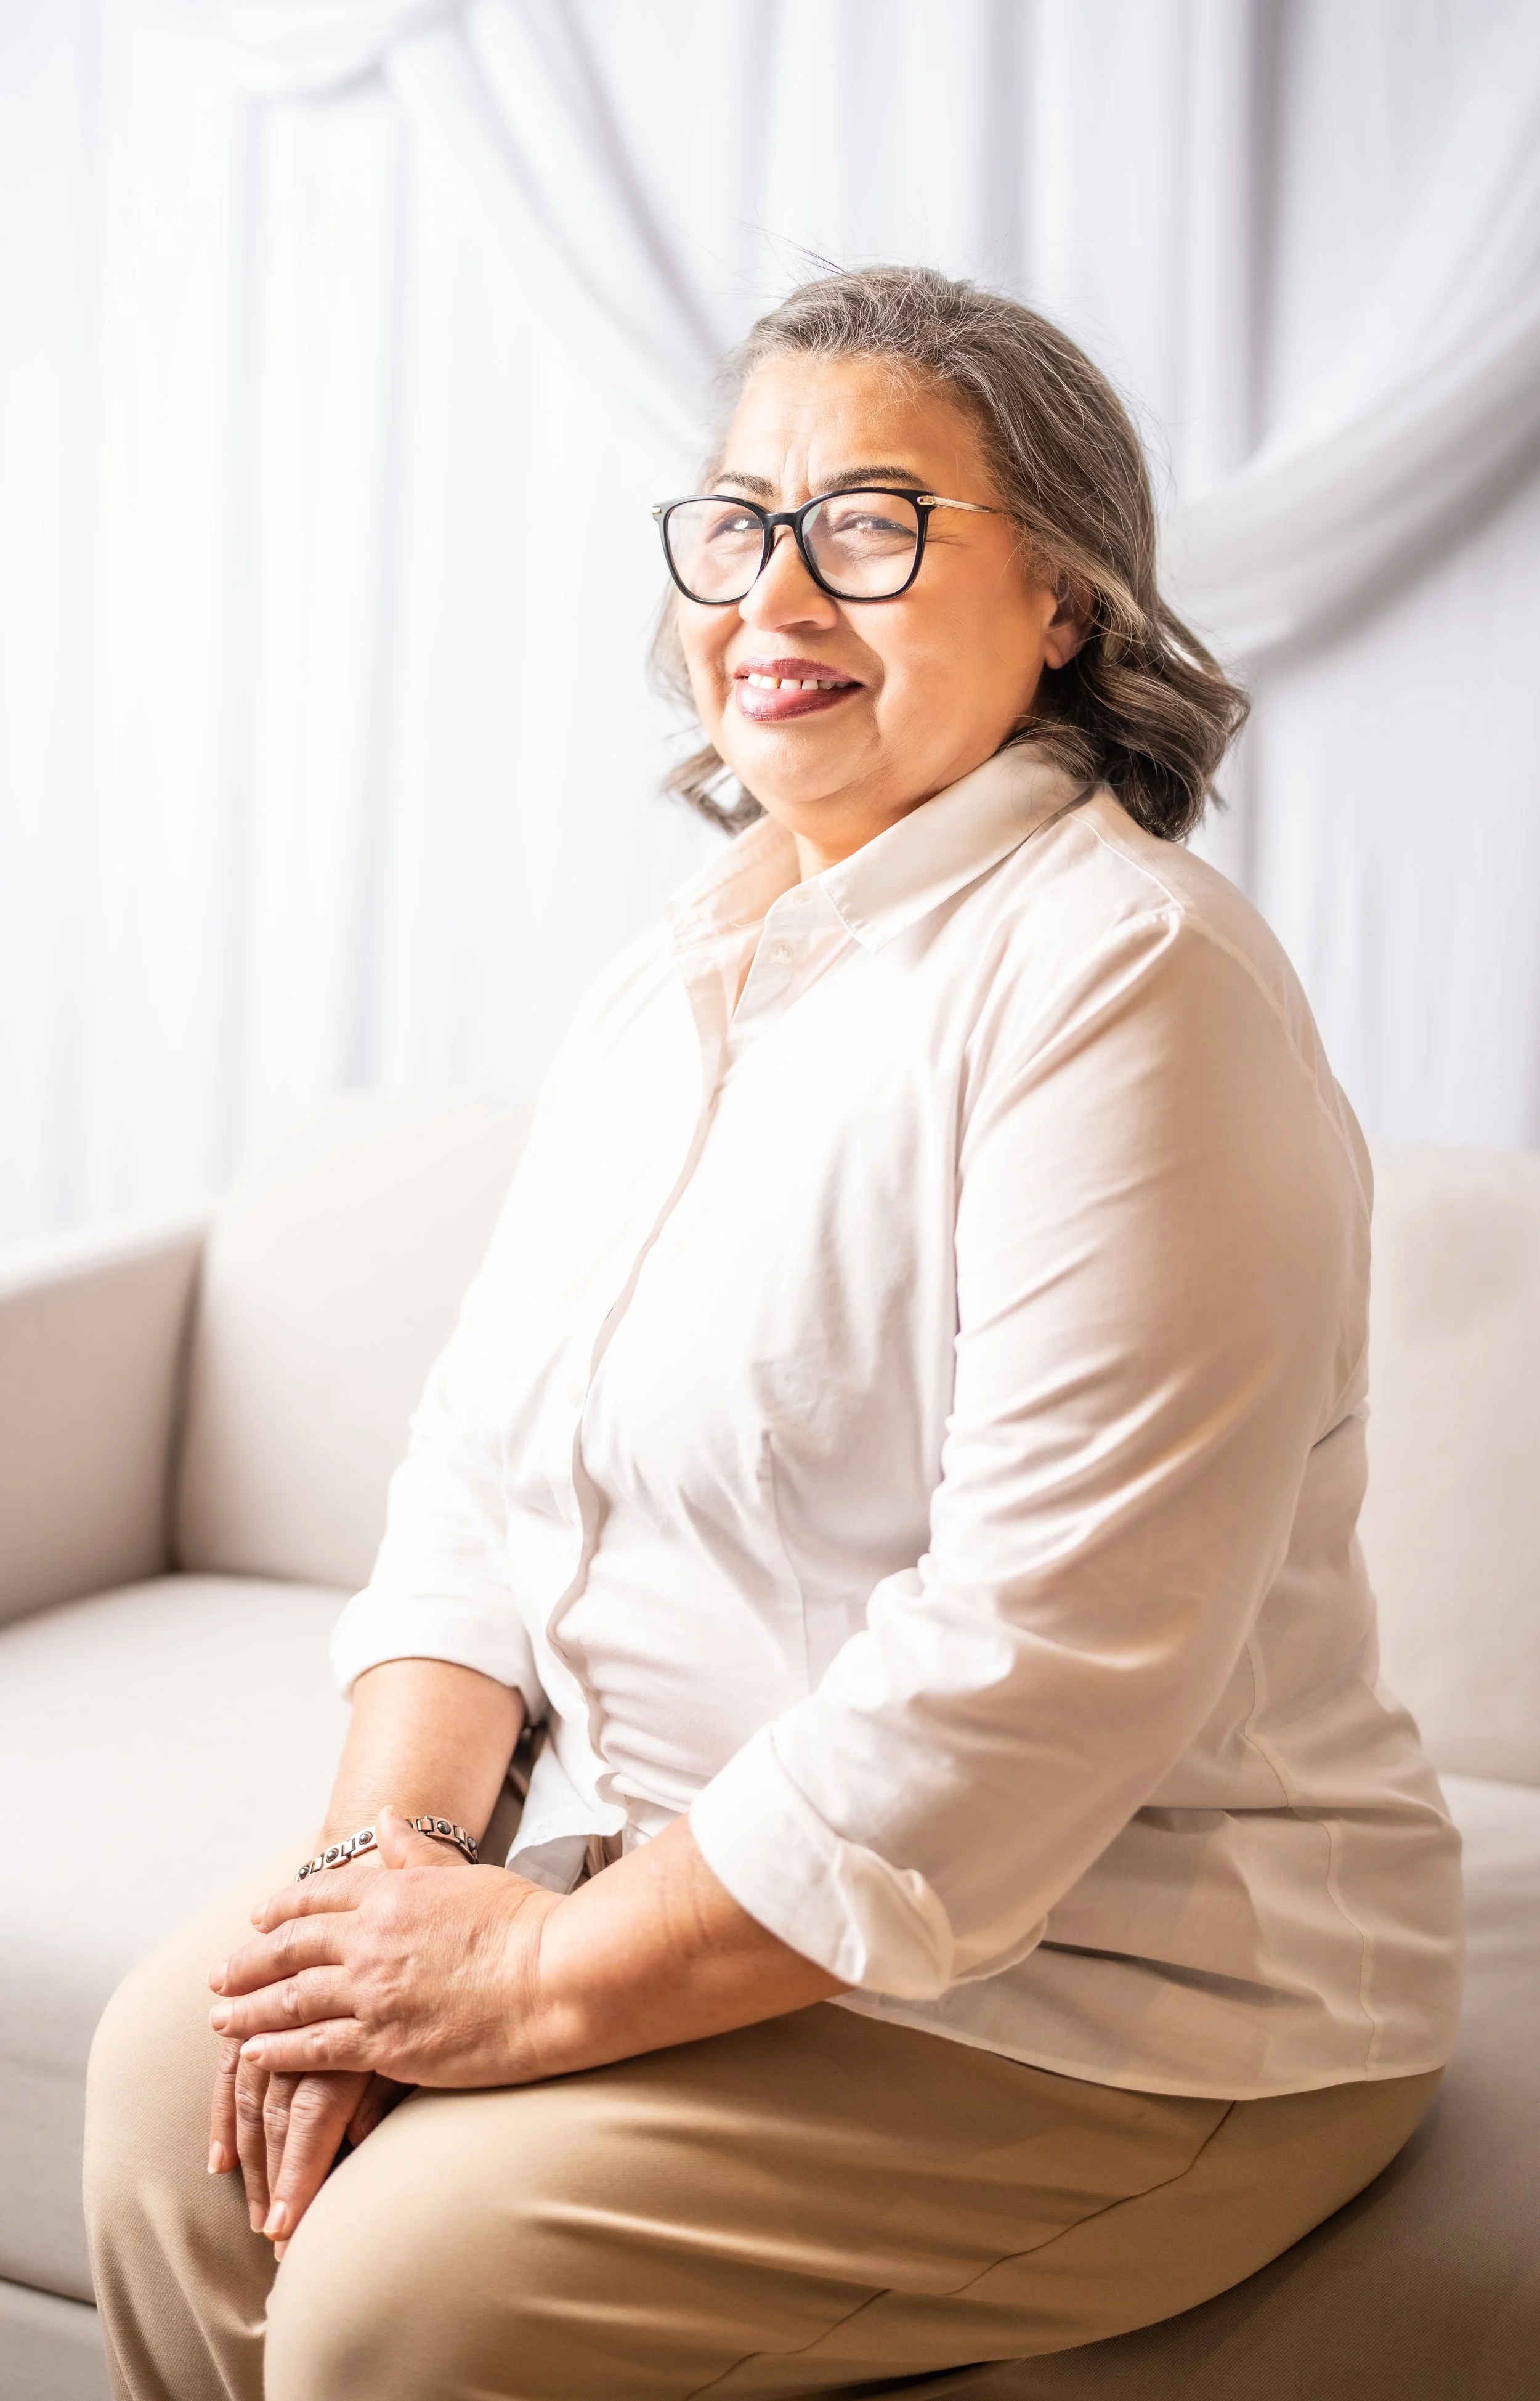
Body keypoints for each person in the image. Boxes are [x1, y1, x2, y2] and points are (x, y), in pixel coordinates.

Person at [84, 266, 1463, 2401]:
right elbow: (481, 1485)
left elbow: (1031, 1662)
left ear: (1069, 604)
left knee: (397, 2298)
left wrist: (539, 1979)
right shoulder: (686, 973)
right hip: (716, 1894)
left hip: (1120, 1995)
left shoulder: (1130, 986)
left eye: (876, 525)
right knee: (171, 2096)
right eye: (737, 522)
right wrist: (391, 1871)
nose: (779, 591)